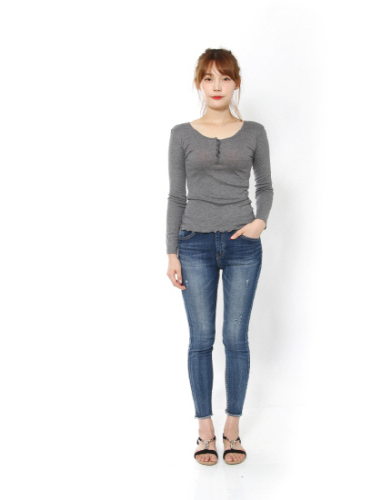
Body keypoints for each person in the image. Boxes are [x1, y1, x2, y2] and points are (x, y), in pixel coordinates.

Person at [166, 48, 274, 465]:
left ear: (236, 84)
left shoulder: (254, 132)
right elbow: (176, 196)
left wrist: (260, 221)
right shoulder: (181, 134)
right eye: (209, 78)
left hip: (242, 244)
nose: (217, 86)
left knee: (235, 338)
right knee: (201, 339)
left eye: (225, 78)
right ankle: (204, 430)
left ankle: (232, 428)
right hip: (193, 243)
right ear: (199, 83)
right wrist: (171, 251)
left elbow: (265, 185)